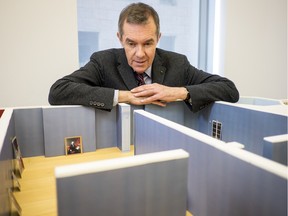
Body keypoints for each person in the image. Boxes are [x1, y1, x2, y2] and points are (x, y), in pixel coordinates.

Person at [48, 2, 239, 112]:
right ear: (120, 39)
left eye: (148, 43)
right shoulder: (103, 62)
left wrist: (180, 92)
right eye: (131, 44)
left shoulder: (177, 63)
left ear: (158, 38)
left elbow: (229, 90)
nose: (140, 53)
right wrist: (125, 96)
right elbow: (58, 92)